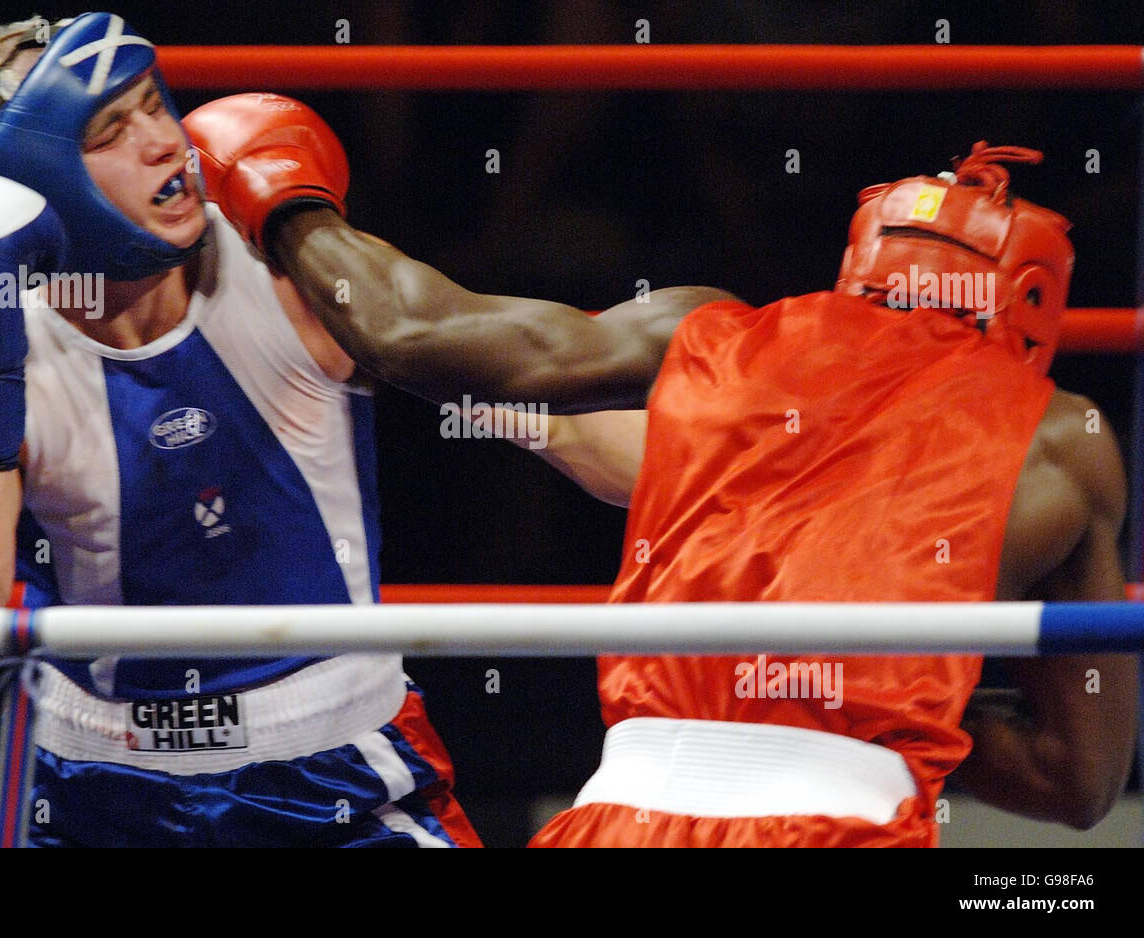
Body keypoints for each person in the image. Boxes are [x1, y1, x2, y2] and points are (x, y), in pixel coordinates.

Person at [184, 95, 1139, 846]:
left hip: (620, 808)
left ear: (863, 258)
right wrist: (909, 688)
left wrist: (289, 207)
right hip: (845, 815)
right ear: (1030, 302)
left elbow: (413, 332)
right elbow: (1079, 780)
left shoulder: (719, 338)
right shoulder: (1063, 440)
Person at [0, 13, 484, 848]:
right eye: (110, 132)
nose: (167, 142)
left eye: (153, 107)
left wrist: (716, 412)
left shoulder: (291, 280)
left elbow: (556, 422)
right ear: (31, 188)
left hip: (332, 773)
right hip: (87, 787)